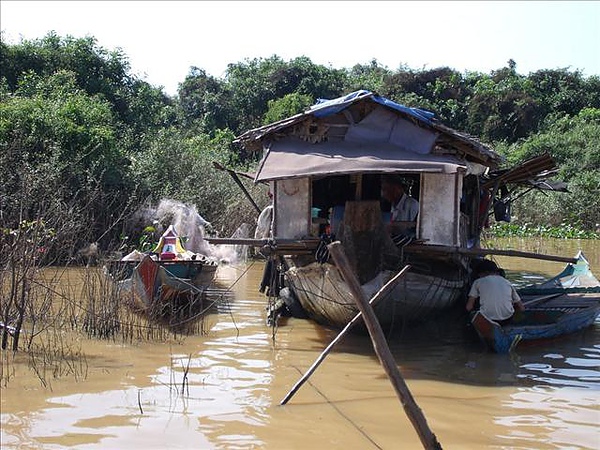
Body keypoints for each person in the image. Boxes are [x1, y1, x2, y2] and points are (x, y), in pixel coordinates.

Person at [466, 259, 525, 325]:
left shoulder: (478, 282)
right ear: (496, 272)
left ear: (482, 273)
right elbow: (521, 307)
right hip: (507, 319)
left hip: (487, 319)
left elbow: (469, 307)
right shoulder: (506, 282)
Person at [381, 175, 419, 239]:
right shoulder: (392, 205)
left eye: (385, 189)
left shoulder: (412, 204)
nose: (383, 194)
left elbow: (414, 231)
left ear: (396, 189)